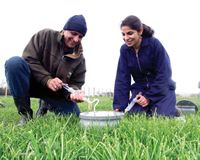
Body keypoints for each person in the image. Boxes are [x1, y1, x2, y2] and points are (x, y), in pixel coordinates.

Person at [5, 14, 87, 125]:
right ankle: (25, 114)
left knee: (74, 117)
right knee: (14, 63)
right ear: (64, 29)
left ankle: (45, 104)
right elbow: (29, 59)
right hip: (32, 83)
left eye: (80, 36)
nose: (76, 39)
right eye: (73, 33)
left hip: (55, 93)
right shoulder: (45, 35)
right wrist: (47, 80)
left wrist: (73, 93)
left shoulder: (80, 59)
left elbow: (76, 83)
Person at [113, 15, 177, 117]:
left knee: (162, 117)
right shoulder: (124, 50)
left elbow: (164, 74)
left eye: (130, 33)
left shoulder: (154, 44)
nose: (126, 38)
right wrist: (119, 106)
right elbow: (122, 78)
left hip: (162, 88)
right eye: (123, 34)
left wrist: (148, 97)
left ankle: (172, 109)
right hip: (141, 89)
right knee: (134, 117)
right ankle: (149, 108)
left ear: (140, 31)